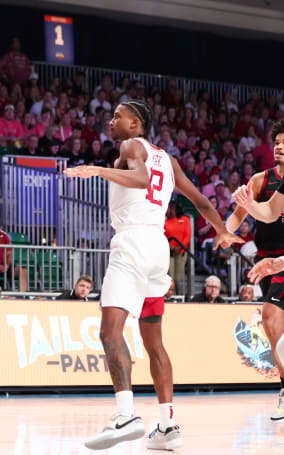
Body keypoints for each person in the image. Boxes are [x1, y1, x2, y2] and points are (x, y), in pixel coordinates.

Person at [65, 100, 240, 450]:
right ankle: (166, 425)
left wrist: (98, 171)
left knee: (109, 331)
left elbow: (140, 179)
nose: (112, 120)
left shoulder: (131, 146)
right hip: (158, 248)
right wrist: (221, 230)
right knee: (154, 341)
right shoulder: (170, 160)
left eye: (119, 116)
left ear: (135, 125)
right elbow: (201, 203)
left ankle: (126, 414)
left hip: (131, 243)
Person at [230, 120, 284, 419]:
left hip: (280, 263)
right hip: (268, 260)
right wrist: (226, 230)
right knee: (274, 325)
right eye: (277, 141)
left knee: (271, 314)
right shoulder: (264, 180)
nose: (279, 146)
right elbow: (263, 212)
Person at [164, 202, 191, 294]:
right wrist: (170, 247)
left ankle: (179, 294)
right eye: (168, 208)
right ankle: (172, 294)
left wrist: (180, 247)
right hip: (169, 252)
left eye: (171, 208)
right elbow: (162, 236)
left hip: (181, 251)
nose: (170, 210)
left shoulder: (185, 220)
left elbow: (187, 236)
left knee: (178, 276)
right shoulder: (164, 221)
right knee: (170, 275)